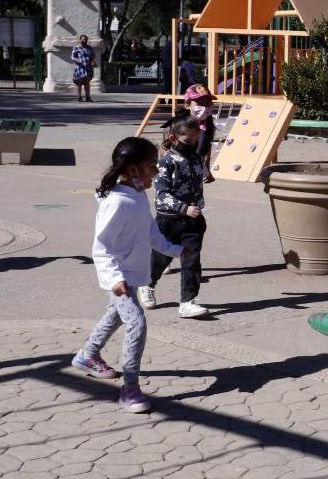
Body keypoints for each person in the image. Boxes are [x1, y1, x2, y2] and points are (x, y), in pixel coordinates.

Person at [71, 137, 185, 414]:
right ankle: (130, 387)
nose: (156, 172)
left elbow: (151, 233)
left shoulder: (136, 196)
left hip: (133, 274)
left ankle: (87, 356)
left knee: (114, 316)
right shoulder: (117, 202)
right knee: (136, 322)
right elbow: (102, 247)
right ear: (133, 169)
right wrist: (114, 279)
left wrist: (177, 250)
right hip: (120, 277)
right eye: (151, 166)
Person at [139, 116, 210, 318]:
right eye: (189, 140)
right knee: (161, 258)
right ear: (174, 137)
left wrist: (206, 173)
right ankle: (147, 284)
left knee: (192, 261)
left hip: (194, 220)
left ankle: (188, 302)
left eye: (197, 139)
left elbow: (198, 175)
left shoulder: (196, 157)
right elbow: (161, 194)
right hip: (169, 220)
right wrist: (183, 208)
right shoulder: (166, 162)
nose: (194, 143)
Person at [160, 84, 217, 184]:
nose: (205, 107)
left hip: (194, 176)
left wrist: (206, 169)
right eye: (200, 103)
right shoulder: (180, 125)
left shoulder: (207, 126)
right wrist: (179, 164)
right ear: (187, 105)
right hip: (175, 174)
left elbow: (207, 147)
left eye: (208, 103)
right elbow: (163, 148)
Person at [71, 35, 96, 102]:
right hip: (80, 68)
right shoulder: (76, 48)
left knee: (87, 82)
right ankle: (79, 97)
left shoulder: (89, 48)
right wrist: (78, 60)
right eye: (83, 39)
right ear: (80, 40)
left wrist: (93, 62)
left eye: (86, 40)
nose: (84, 41)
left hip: (88, 67)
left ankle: (88, 97)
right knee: (79, 83)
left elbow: (93, 56)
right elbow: (73, 57)